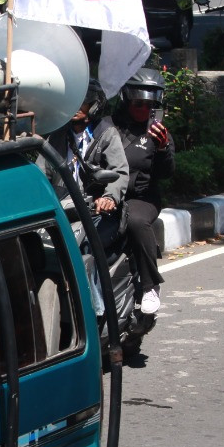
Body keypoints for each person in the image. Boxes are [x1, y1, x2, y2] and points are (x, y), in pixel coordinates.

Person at [112, 68, 175, 315]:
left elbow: (167, 173)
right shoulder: (108, 126)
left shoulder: (158, 132)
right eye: (138, 103)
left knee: (136, 221)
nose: (143, 110)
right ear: (127, 100)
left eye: (150, 105)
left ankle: (150, 285)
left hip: (141, 198)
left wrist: (162, 148)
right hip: (107, 194)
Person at [67, 87, 130, 252]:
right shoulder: (59, 135)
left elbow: (120, 171)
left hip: (97, 212)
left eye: (83, 102)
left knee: (87, 247)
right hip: (65, 210)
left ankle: (96, 278)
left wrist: (109, 198)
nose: (76, 106)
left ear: (94, 106)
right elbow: (42, 169)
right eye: (73, 101)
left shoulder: (107, 134)